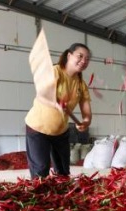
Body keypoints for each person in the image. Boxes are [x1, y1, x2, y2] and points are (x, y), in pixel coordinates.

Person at [24, 43, 92, 178]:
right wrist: (55, 104)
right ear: (69, 55)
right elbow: (42, 95)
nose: (83, 61)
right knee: (41, 169)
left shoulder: (80, 84)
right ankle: (40, 197)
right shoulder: (55, 71)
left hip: (61, 131)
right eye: (80, 56)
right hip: (38, 128)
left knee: (63, 171)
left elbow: (87, 112)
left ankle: (63, 197)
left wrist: (85, 122)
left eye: (87, 59)